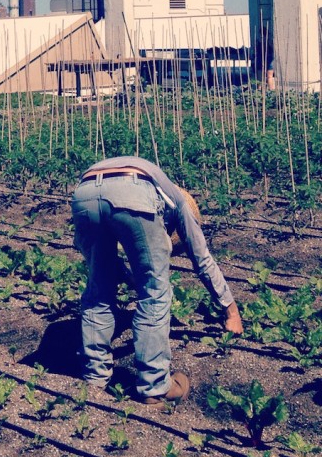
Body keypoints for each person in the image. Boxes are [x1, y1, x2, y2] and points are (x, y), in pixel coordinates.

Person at [72, 155, 242, 405]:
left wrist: (125, 275)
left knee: (99, 289)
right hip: (134, 192)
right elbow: (202, 258)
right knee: (155, 292)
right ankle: (155, 386)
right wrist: (232, 311)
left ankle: (95, 378)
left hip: (83, 193)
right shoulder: (181, 204)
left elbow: (90, 252)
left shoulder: (154, 180)